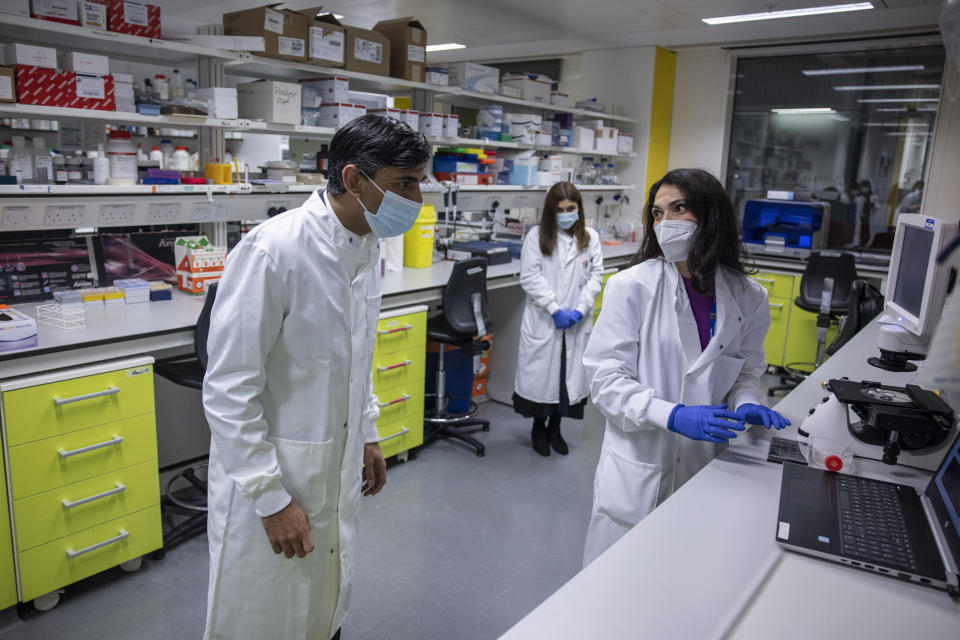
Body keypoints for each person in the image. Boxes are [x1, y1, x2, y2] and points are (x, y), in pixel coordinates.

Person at [202, 115, 431, 640]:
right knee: (265, 616)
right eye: (405, 183)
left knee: (322, 609)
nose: (417, 199)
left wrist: (368, 433)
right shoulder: (273, 251)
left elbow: (356, 356)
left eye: (419, 182)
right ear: (354, 180)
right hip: (275, 475)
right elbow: (228, 391)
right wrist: (270, 497)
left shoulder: (367, 243)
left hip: (331, 464)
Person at [581, 168, 790, 566]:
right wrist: (671, 414)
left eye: (679, 209)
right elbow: (605, 381)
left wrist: (746, 401)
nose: (665, 223)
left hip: (708, 463)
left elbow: (746, 370)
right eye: (658, 214)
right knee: (618, 586)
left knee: (687, 575)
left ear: (711, 215)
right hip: (640, 467)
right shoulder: (632, 286)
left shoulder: (750, 296)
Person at [513, 182, 604, 456]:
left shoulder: (589, 238)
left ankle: (556, 427)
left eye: (571, 208)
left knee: (567, 382)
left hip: (576, 321)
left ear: (579, 208)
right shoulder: (537, 236)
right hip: (546, 320)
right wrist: (554, 308)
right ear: (552, 211)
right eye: (560, 209)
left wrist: (579, 308)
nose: (566, 213)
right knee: (545, 380)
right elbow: (530, 276)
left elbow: (596, 276)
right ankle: (538, 428)